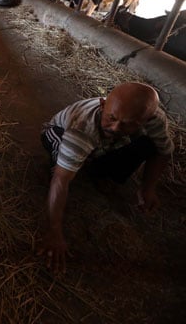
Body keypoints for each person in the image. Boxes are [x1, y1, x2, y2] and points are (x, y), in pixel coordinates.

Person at [37, 82, 174, 273]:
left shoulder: (155, 119)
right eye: (111, 117)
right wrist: (54, 231)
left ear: (145, 119)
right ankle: (59, 163)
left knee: (148, 144)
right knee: (62, 167)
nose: (116, 127)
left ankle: (101, 173)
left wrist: (148, 188)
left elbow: (164, 151)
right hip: (60, 133)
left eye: (127, 123)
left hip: (103, 146)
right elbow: (61, 180)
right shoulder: (82, 128)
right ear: (102, 105)